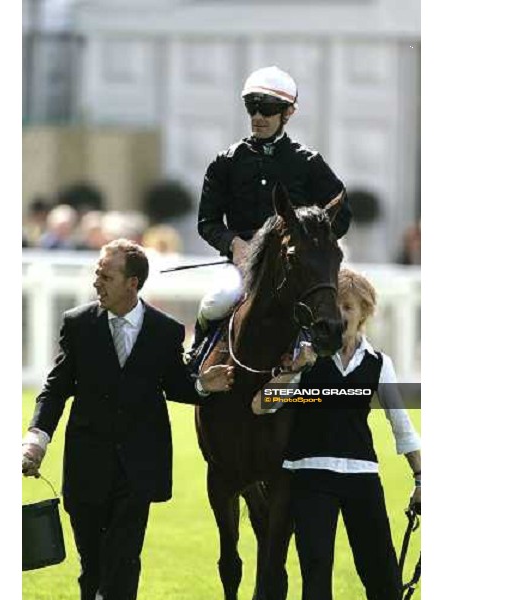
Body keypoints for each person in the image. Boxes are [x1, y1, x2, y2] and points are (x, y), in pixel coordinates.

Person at [22, 238, 234, 600]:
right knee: (93, 566)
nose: (96, 282)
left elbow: (176, 385)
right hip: (87, 463)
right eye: (96, 274)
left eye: (105, 275)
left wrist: (203, 385)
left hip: (138, 467)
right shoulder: (78, 324)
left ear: (132, 283)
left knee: (124, 557)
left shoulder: (164, 331)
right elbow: (56, 388)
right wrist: (36, 439)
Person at [252, 268, 421, 600]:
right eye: (334, 306)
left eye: (348, 307)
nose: (339, 315)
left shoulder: (378, 362)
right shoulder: (307, 357)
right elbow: (261, 405)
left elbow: (401, 424)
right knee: (316, 575)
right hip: (310, 475)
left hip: (362, 477)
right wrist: (295, 370)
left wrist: (421, 479)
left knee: (383, 575)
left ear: (364, 313)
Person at [191, 65, 353, 358]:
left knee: (327, 311)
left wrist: (310, 246)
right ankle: (197, 356)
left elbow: (342, 214)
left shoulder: (308, 162)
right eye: (251, 107)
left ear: (288, 113)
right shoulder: (225, 162)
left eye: (266, 109)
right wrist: (233, 244)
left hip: (294, 269)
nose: (257, 117)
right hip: (241, 265)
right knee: (216, 301)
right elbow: (207, 221)